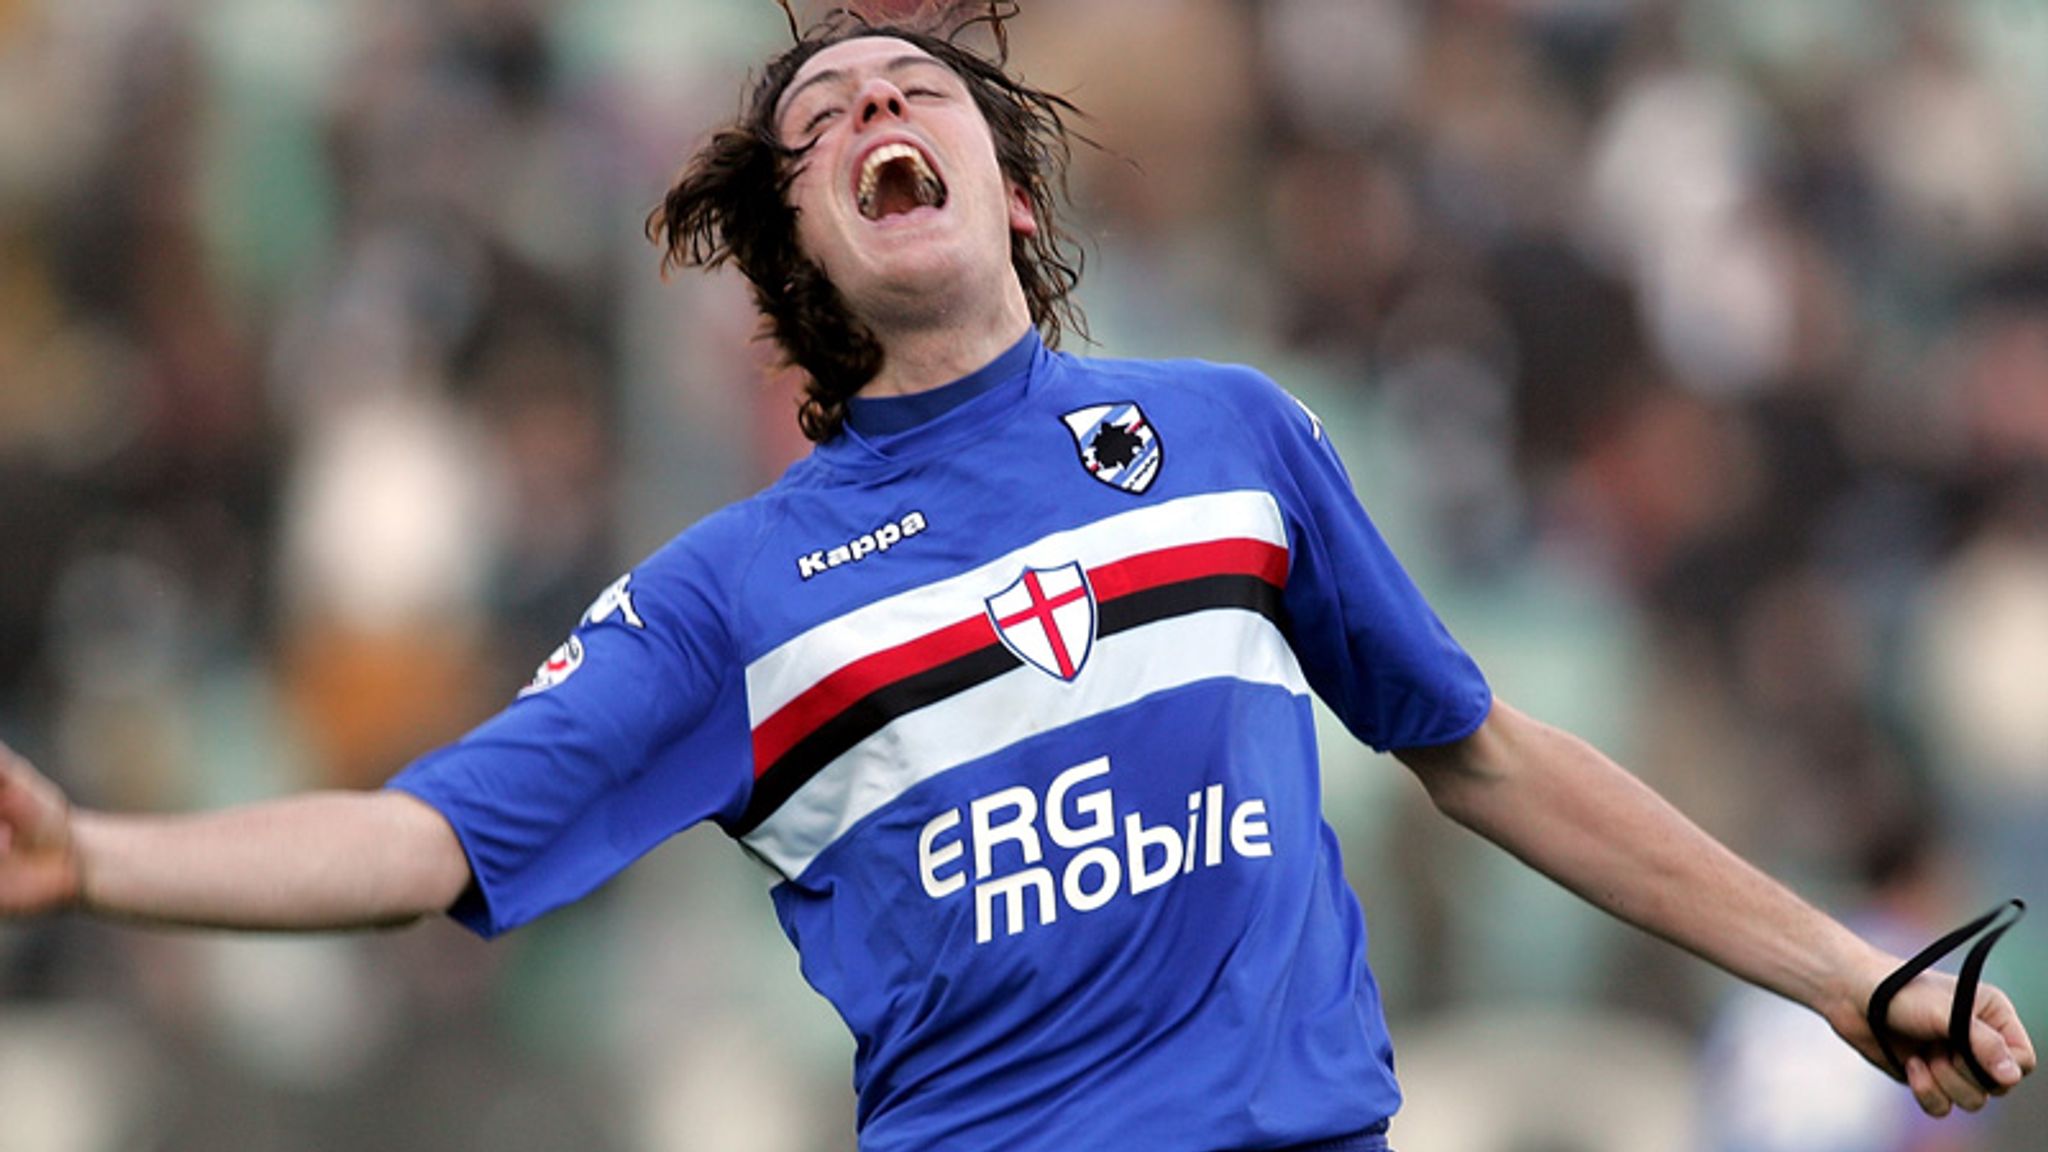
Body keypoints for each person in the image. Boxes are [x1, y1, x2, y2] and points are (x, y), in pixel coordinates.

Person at [0, 9, 2035, 1151]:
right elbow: (421, 841)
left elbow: (1485, 753)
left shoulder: (1232, 437)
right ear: (804, 257)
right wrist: (97, 857)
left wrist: (1845, 973)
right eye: (822, 119)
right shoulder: (734, 594)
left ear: (1015, 192)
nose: (875, 106)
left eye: (915, 89)